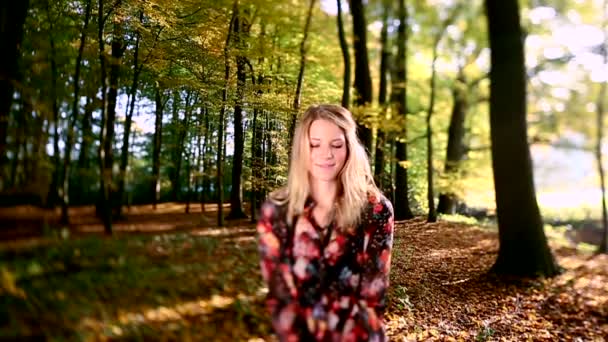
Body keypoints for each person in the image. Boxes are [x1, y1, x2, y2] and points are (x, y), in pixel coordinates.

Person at [256, 104, 395, 341]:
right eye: (314, 144)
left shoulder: (376, 210)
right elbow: (280, 298)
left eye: (336, 145)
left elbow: (373, 296)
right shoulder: (275, 211)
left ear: (350, 148)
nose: (326, 154)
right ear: (302, 148)